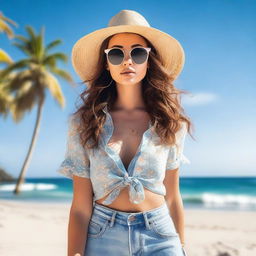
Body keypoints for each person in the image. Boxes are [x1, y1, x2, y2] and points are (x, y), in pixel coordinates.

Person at [57, 9, 194, 256]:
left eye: (138, 53)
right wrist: (74, 253)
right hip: (101, 236)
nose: (128, 61)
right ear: (107, 63)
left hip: (160, 236)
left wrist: (181, 247)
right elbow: (80, 206)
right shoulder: (84, 122)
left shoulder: (169, 121)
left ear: (149, 61)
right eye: (117, 53)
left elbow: (173, 196)